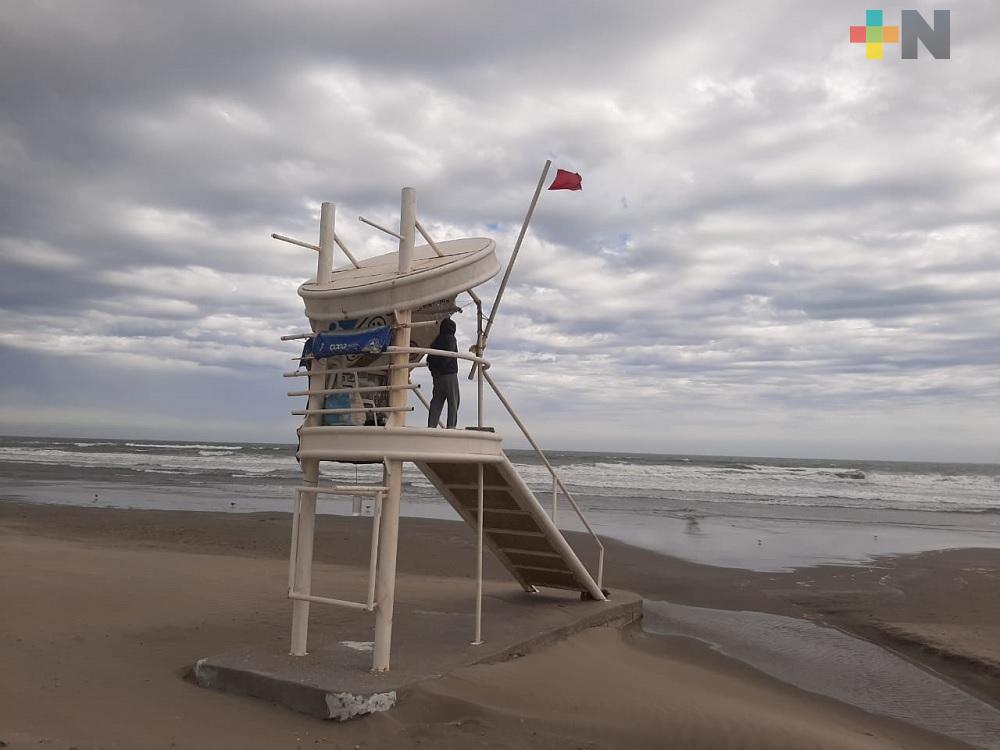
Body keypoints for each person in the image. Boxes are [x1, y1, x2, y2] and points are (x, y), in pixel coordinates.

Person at [426, 318, 460, 428]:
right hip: (449, 375)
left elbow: (429, 358)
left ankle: (431, 426)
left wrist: (435, 371)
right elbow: (450, 355)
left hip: (437, 376)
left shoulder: (436, 341)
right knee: (453, 402)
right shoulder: (451, 339)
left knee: (436, 401)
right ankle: (451, 427)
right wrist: (444, 367)